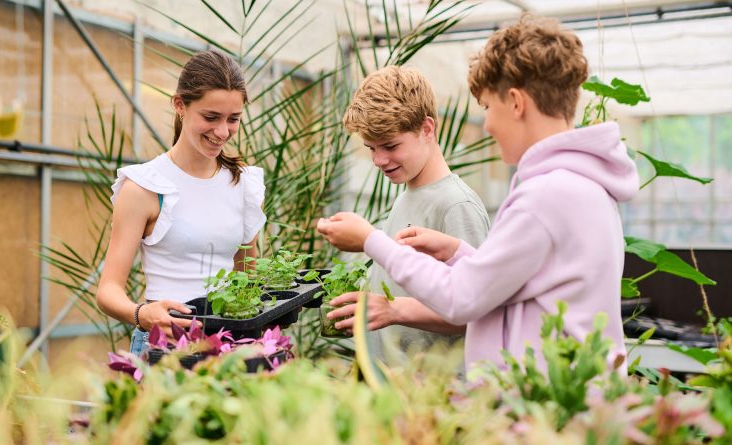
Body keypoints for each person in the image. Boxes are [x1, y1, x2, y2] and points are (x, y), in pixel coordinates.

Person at [317, 14, 638, 371]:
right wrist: (458, 252)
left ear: (516, 103)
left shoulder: (547, 195)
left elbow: (466, 299)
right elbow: (512, 282)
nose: (486, 124)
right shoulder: (579, 183)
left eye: (487, 107)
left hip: (556, 400)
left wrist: (372, 240)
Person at [97, 50, 266, 356]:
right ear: (179, 105)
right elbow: (108, 290)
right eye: (210, 117)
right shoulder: (145, 186)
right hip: (166, 347)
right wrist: (141, 314)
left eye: (233, 119)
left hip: (230, 347)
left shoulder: (243, 184)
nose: (222, 131)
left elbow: (246, 280)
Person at [320, 66, 489, 369]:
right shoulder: (407, 194)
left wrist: (393, 310)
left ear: (426, 128)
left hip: (437, 393)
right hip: (398, 381)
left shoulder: (456, 204)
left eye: (390, 146)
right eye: (371, 148)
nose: (379, 160)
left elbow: (479, 311)